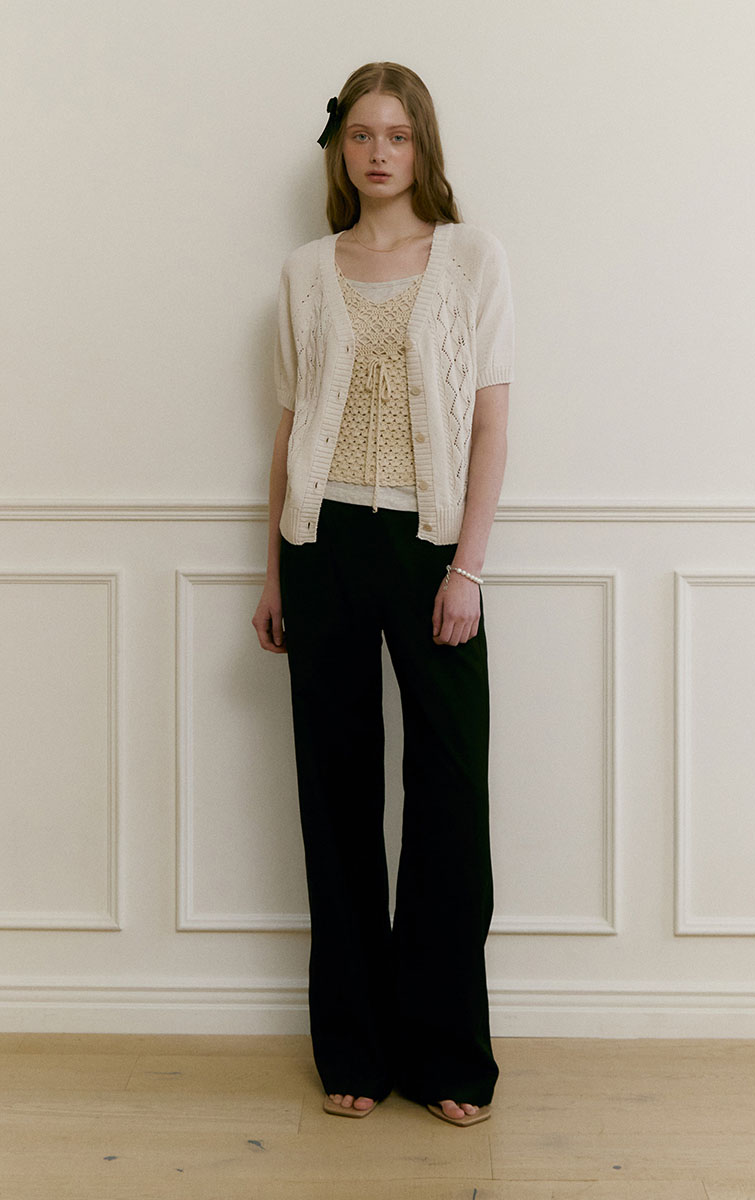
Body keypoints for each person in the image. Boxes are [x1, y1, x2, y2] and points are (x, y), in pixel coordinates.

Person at [252, 61, 514, 1128]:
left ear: (421, 148)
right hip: (321, 547)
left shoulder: (471, 259)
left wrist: (467, 569)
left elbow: (491, 424)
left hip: (429, 548)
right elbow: (288, 431)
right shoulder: (305, 272)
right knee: (336, 793)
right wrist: (273, 569)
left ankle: (445, 1055)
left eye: (395, 135)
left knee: (449, 795)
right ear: (340, 151)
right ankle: (353, 1047)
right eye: (360, 135)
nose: (377, 153)